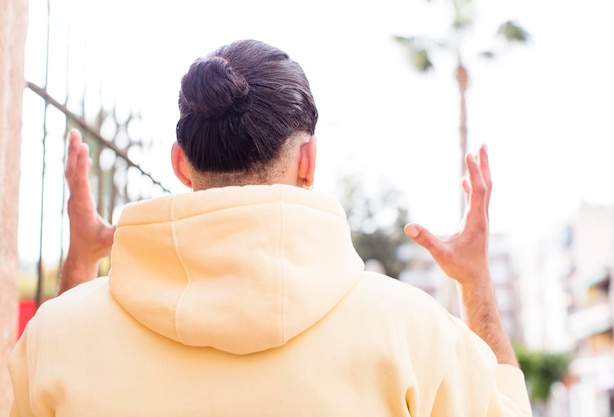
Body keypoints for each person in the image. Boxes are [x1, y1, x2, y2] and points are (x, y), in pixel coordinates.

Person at [9, 39, 531, 416]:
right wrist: (475, 284)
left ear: (179, 163)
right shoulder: (416, 334)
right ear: (309, 160)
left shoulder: (54, 339)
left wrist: (79, 265)